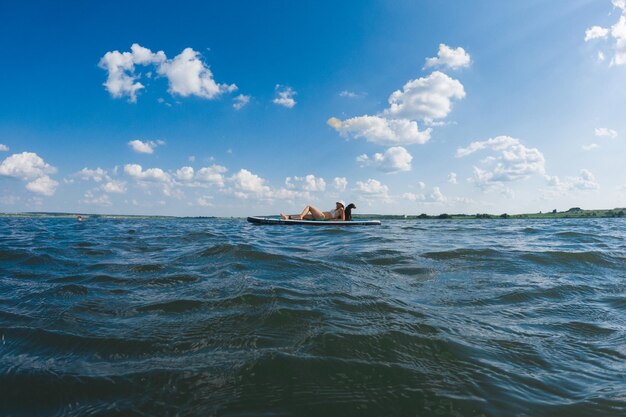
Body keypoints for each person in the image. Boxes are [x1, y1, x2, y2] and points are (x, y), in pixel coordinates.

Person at [281, 202, 345, 221]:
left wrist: (333, 220)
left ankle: (300, 217)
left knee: (309, 206)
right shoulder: (335, 210)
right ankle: (287, 217)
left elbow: (343, 219)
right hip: (319, 217)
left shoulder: (341, 209)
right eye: (336, 203)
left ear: (341, 205)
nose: (336, 204)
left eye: (338, 203)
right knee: (304, 215)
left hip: (322, 217)